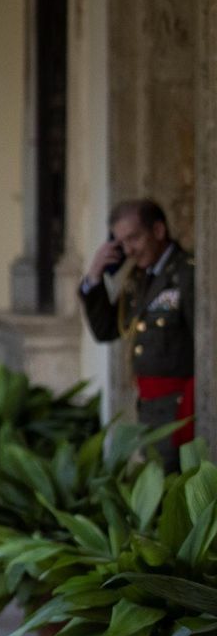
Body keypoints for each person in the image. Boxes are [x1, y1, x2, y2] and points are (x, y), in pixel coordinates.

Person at [79, 198, 196, 469]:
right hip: (149, 408)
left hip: (182, 407)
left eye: (134, 238)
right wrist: (95, 277)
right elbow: (106, 330)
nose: (129, 250)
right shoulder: (138, 278)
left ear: (158, 231)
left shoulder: (186, 274)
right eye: (121, 244)